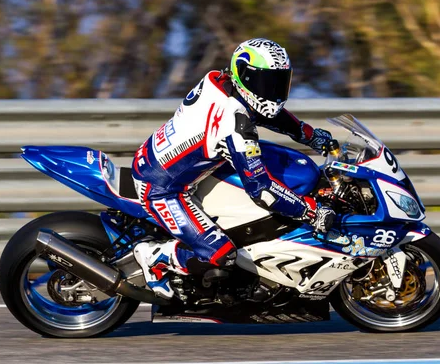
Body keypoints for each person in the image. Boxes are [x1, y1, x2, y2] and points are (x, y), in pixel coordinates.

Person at [132, 38, 336, 299]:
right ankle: (156, 257)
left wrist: (309, 135)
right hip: (161, 188)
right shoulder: (234, 123)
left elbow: (267, 113)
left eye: (278, 83)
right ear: (244, 76)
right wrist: (310, 211)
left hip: (174, 161)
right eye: (265, 83)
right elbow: (261, 189)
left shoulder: (221, 79)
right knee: (221, 255)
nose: (272, 92)